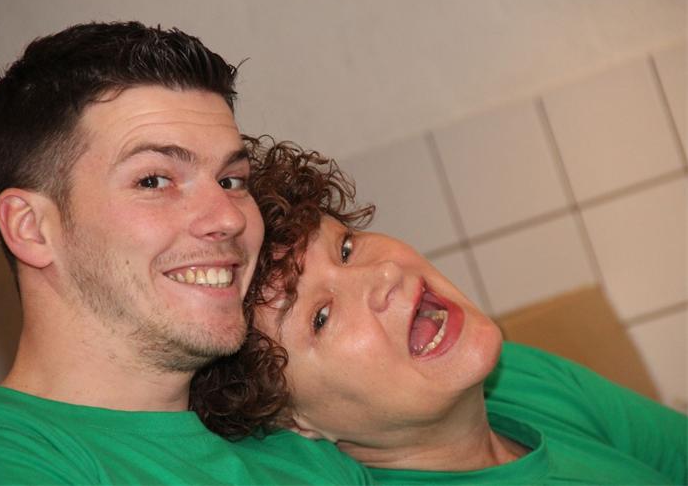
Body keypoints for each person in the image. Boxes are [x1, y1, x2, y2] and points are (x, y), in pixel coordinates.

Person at [0, 22, 371, 485]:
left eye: (231, 180)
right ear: (31, 228)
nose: (228, 217)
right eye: (153, 180)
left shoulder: (311, 459)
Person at [191, 139, 688, 485]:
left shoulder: (520, 378)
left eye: (345, 248)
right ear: (293, 423)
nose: (383, 274)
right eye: (320, 317)